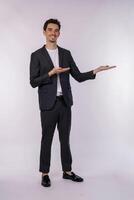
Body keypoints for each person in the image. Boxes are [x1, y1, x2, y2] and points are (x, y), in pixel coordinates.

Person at [30, 18, 116, 187]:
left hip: (65, 103)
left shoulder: (66, 54)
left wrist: (95, 71)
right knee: (46, 139)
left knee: (65, 138)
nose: (53, 33)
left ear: (59, 33)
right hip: (48, 104)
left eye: (56, 30)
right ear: (44, 32)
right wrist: (51, 73)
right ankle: (45, 174)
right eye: (50, 30)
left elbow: (77, 76)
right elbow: (33, 82)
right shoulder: (36, 55)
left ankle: (67, 171)